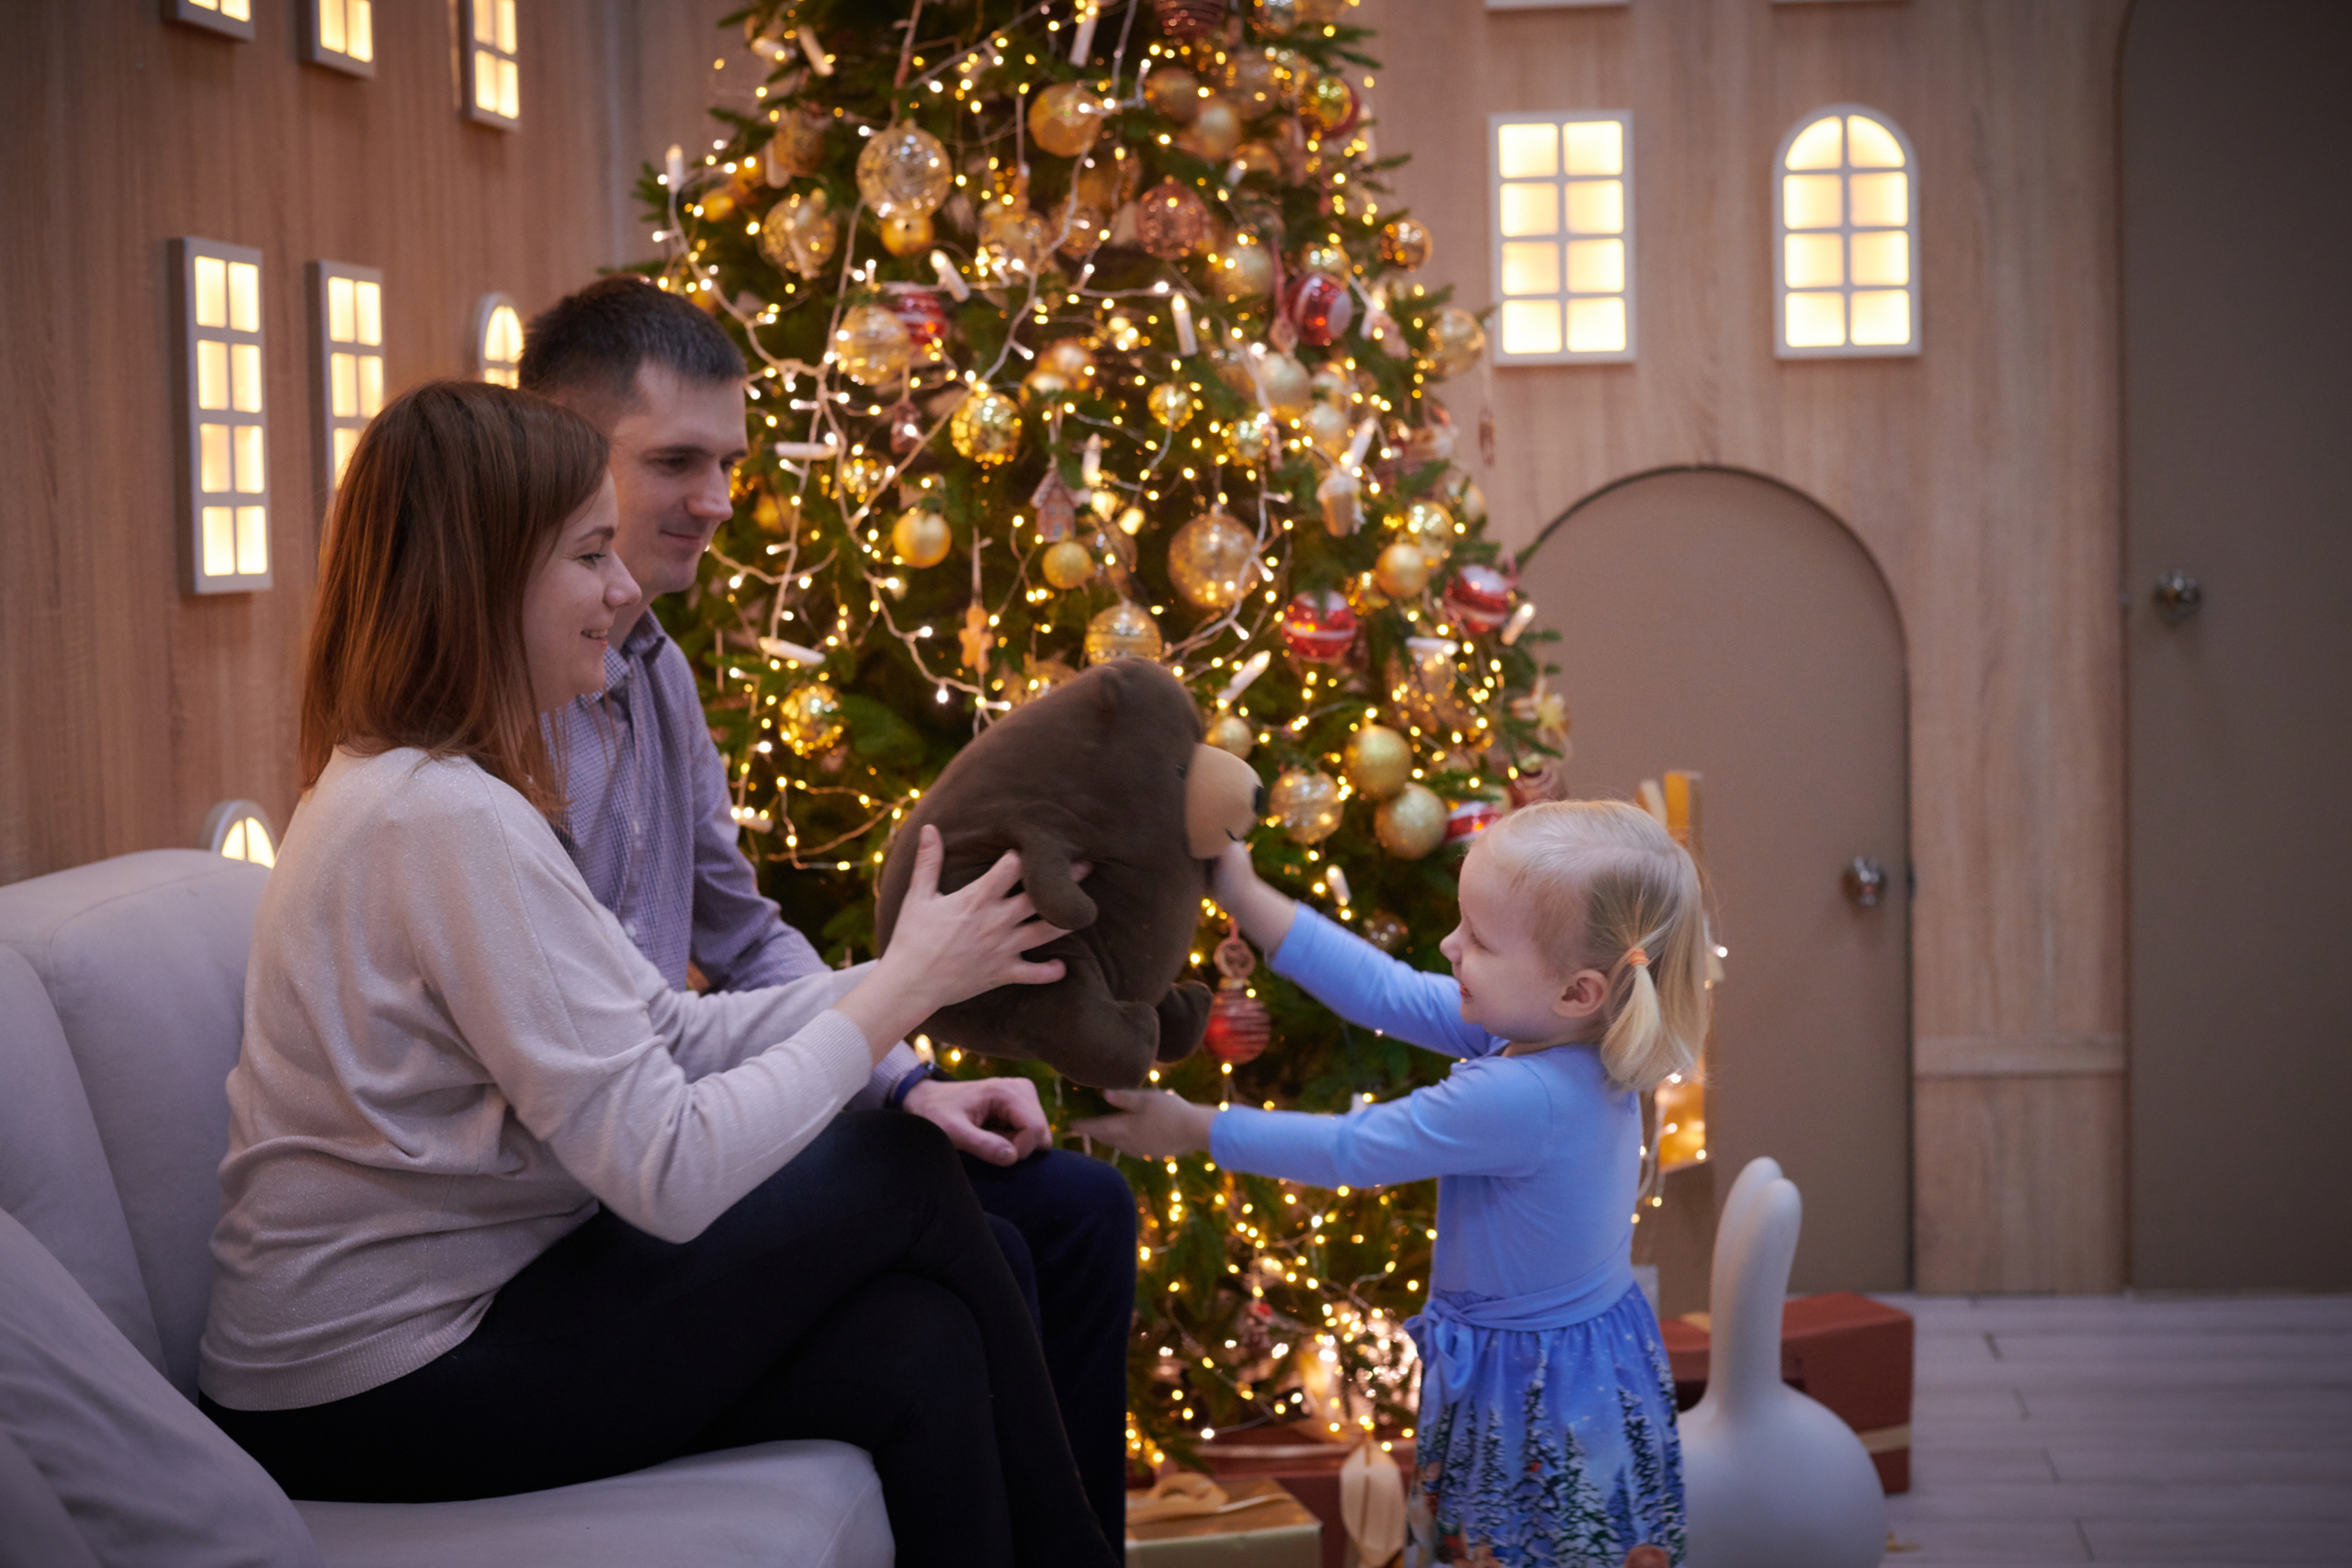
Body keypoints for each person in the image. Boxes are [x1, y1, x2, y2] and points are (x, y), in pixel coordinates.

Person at [197, 378, 1116, 1568]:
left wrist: (904, 974)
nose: (623, 587)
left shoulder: (425, 793)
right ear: (482, 579)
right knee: (895, 1168)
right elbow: (665, 1169)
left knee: (921, 1339)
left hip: (433, 1339)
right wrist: (903, 990)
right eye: (587, 555)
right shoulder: (434, 819)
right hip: (365, 1388)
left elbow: (661, 1031)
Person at [515, 275, 1138, 1543]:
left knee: (1078, 1211)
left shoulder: (656, 669)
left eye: (729, 461)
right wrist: (900, 1011)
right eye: (675, 460)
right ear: (562, 466)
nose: (716, 499)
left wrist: (908, 1081)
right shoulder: (499, 719)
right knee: (984, 1252)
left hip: (688, 1119)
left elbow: (739, 934)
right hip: (605, 1179)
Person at [1076, 801, 1708, 1567]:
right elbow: (1387, 990)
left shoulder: (1523, 1094)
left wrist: (1192, 1127)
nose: (1449, 945)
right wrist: (1246, 898)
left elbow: (1356, 1149)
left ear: (1579, 989)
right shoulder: (1558, 1029)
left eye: (1477, 939)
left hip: (1535, 1393)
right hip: (1576, 1363)